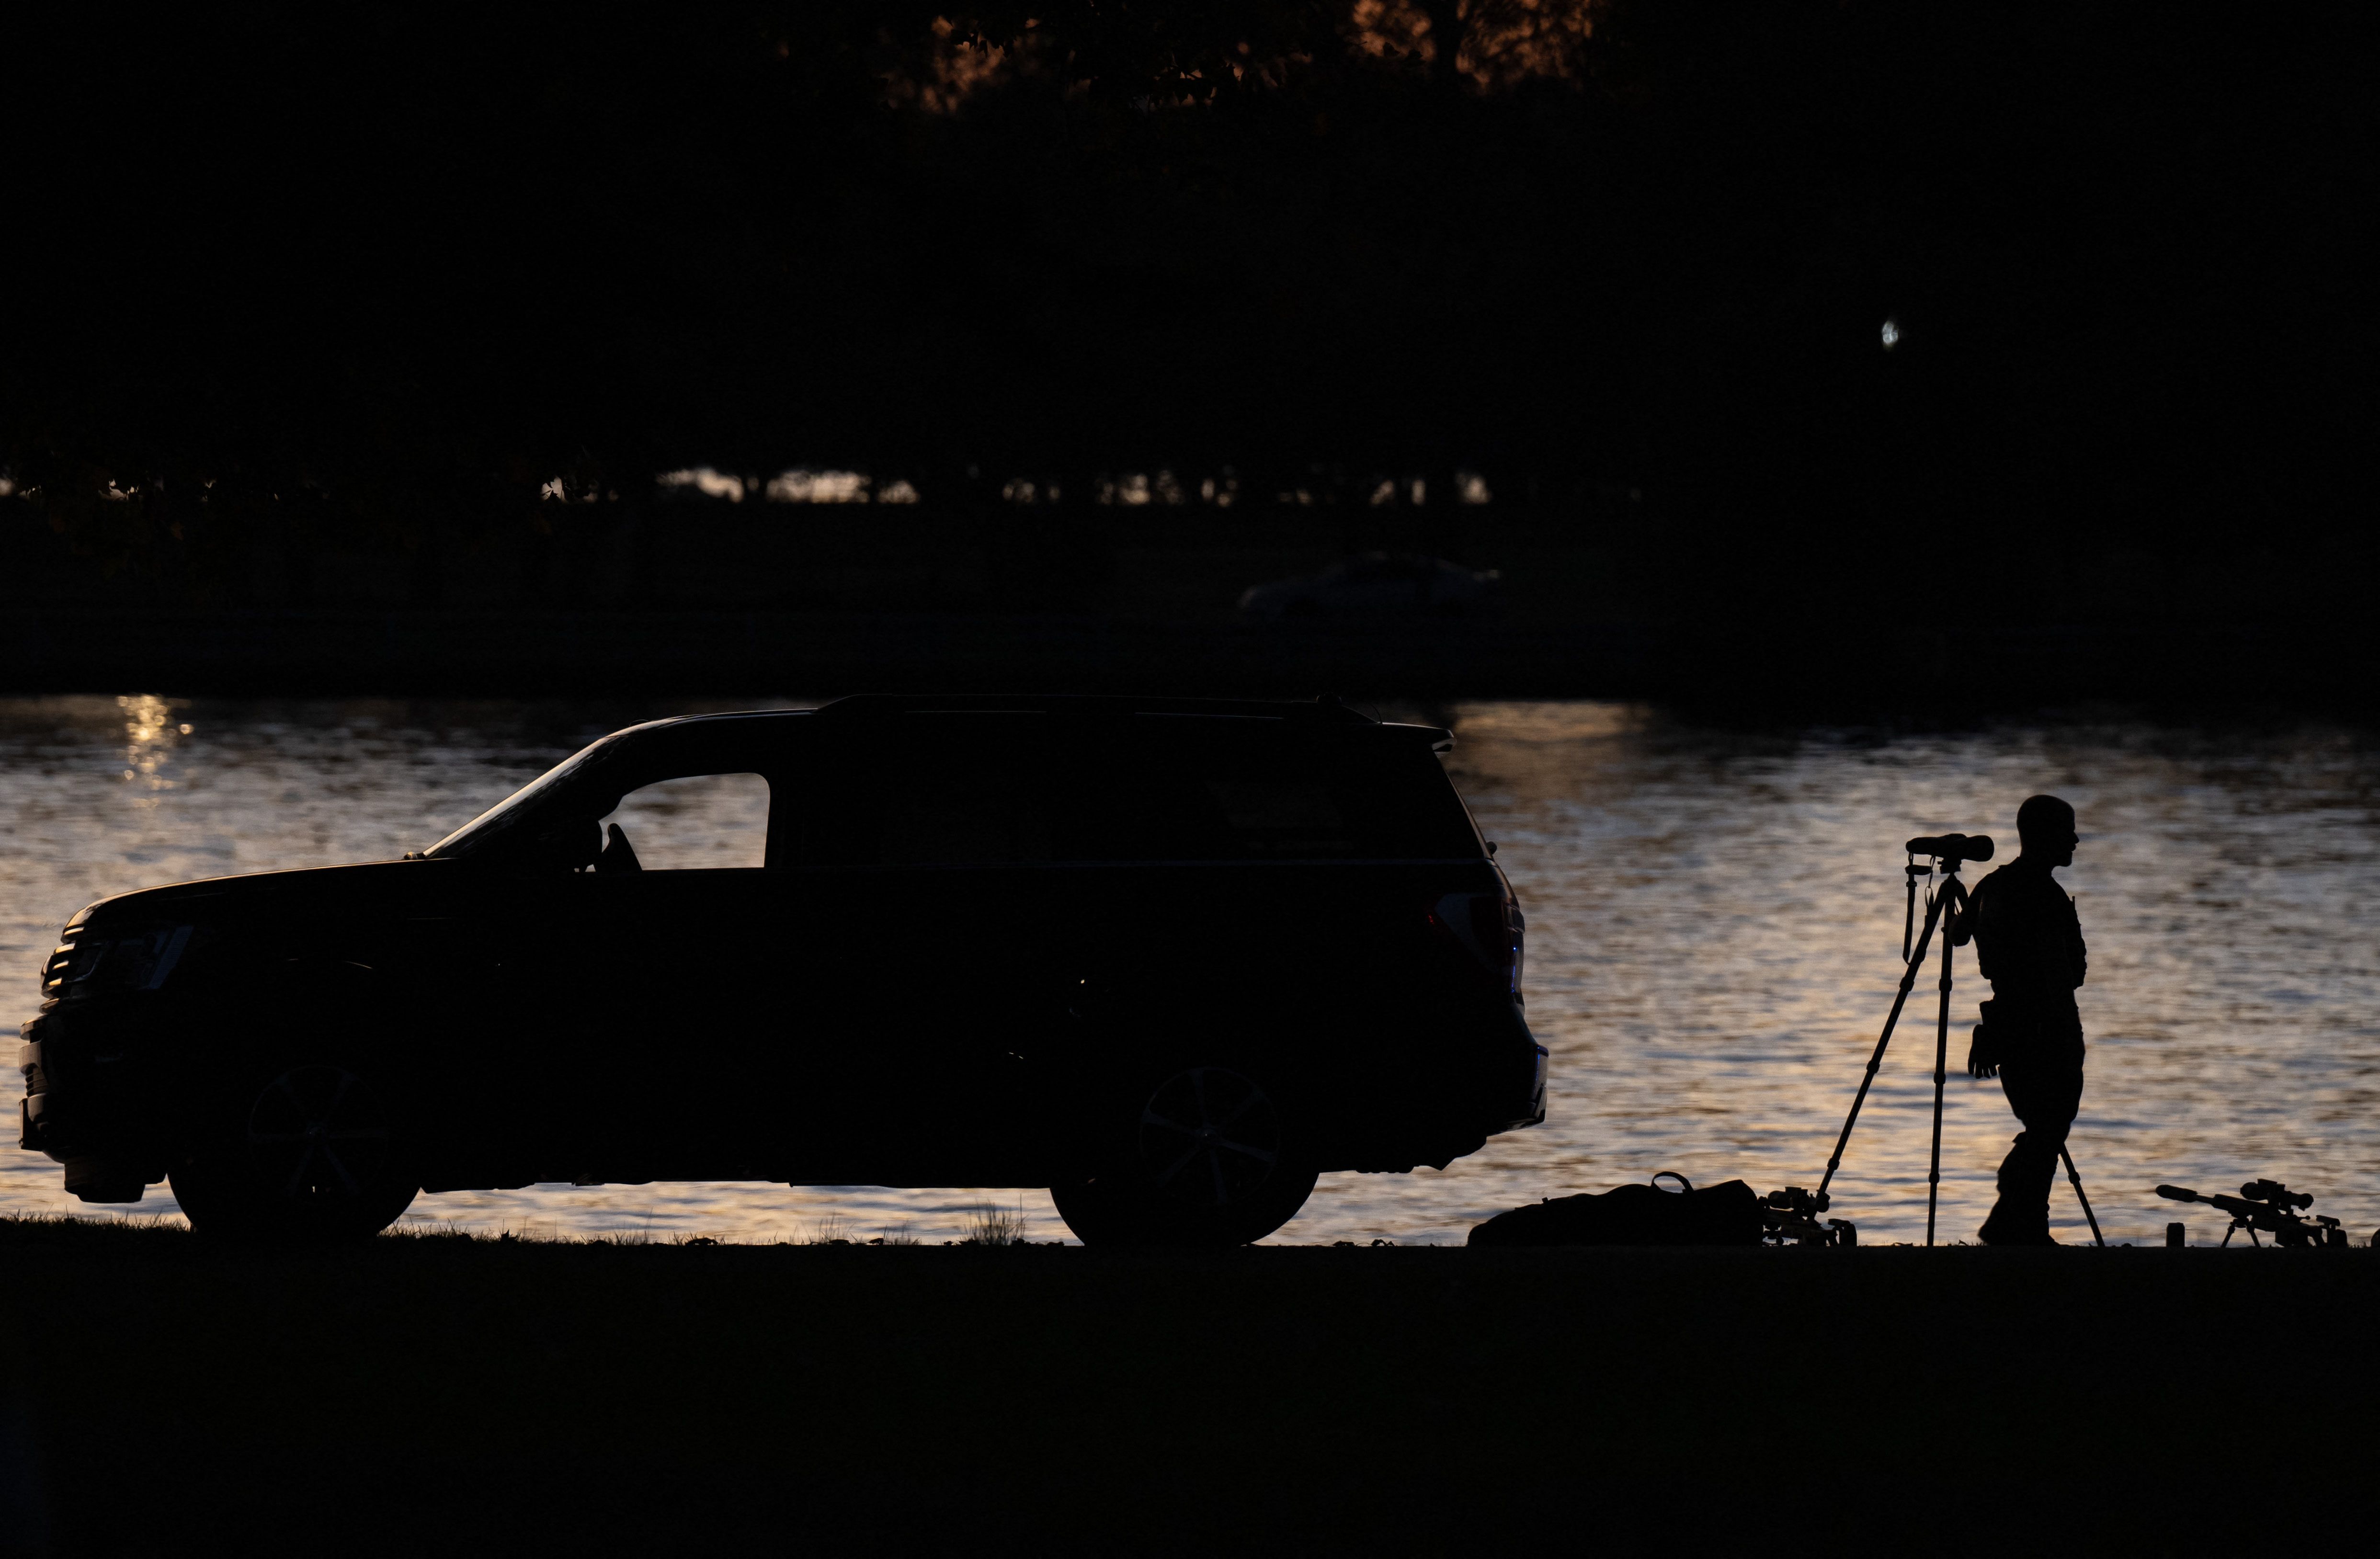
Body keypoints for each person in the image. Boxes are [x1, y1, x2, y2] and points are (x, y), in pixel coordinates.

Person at [1954, 795, 2085, 1246]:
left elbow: (1959, 935)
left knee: (2043, 1128)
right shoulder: (2042, 896)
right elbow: (2060, 977)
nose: (2074, 839)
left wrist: (1995, 1032)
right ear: (2043, 835)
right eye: (2066, 830)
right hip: (2044, 1032)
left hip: (2012, 1028)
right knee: (2048, 1127)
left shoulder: (1993, 885)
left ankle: (2014, 1222)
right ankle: (2019, 1226)